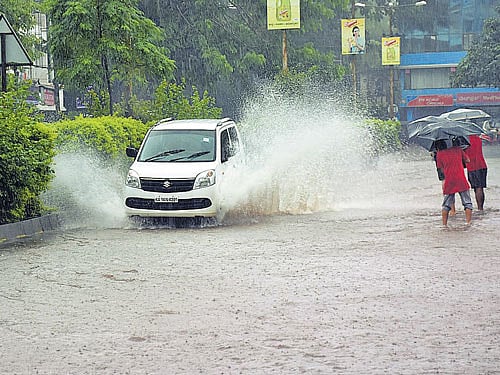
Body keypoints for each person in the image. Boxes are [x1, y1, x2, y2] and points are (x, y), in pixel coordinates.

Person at [435, 140, 472, 226]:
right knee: (467, 203)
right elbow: (468, 160)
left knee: (446, 205)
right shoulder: (458, 150)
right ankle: (468, 222)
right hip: (461, 179)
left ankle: (444, 225)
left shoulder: (439, 154)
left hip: (449, 180)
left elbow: (441, 168)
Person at [464, 134, 487, 210]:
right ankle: (481, 208)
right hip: (482, 165)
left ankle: (480, 209)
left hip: (473, 167)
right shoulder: (478, 138)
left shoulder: (465, 140)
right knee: (480, 187)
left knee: (477, 188)